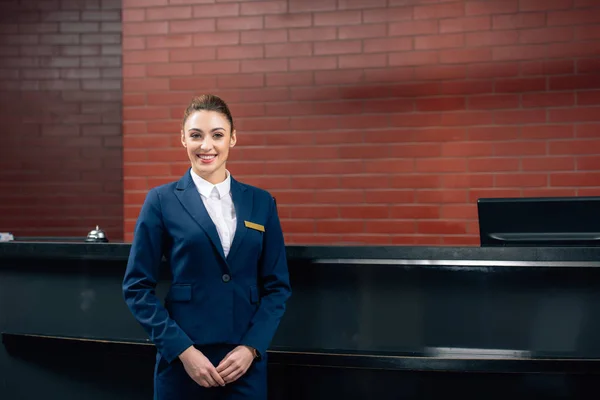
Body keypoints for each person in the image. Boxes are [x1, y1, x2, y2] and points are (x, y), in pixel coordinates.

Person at [122, 94, 292, 399]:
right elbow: (136, 288)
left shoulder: (261, 202)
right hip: (183, 362)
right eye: (196, 135)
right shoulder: (160, 201)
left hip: (243, 365)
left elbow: (277, 286)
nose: (206, 146)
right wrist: (183, 351)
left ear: (233, 139)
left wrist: (252, 347)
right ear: (183, 140)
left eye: (217, 135)